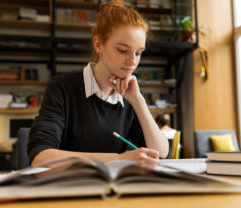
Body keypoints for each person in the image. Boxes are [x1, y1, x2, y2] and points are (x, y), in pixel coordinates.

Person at [28, 0, 169, 167]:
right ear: (98, 44)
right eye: (123, 50)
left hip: (117, 189)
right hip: (70, 188)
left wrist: (138, 100)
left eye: (138, 53)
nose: (132, 61)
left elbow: (161, 153)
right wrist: (119, 159)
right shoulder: (62, 88)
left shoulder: (130, 96)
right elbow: (40, 158)